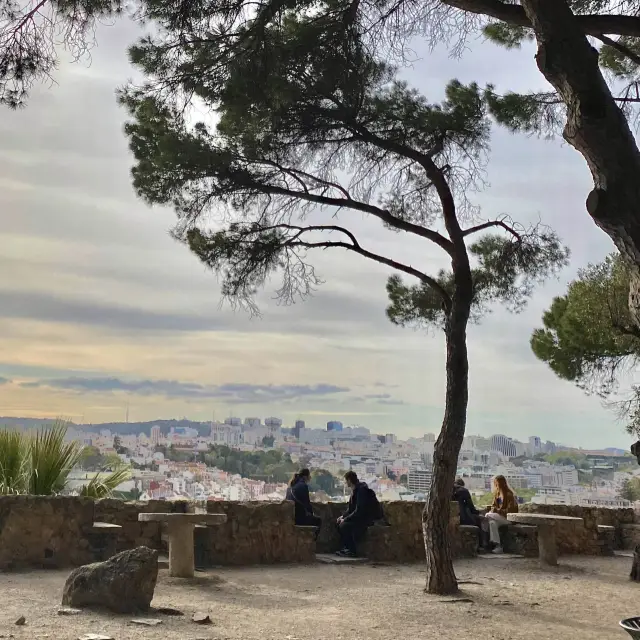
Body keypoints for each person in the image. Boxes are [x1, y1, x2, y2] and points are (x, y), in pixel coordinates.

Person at [336, 471, 379, 557]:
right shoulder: (356, 490)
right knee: (339, 523)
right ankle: (346, 547)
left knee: (344, 526)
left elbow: (359, 510)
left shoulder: (361, 491)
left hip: (366, 518)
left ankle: (352, 550)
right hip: (360, 517)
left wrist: (345, 519)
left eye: (345, 480)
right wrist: (342, 516)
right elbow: (351, 509)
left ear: (349, 480)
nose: (345, 483)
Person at [483, 475, 518, 554]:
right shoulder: (497, 494)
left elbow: (510, 511)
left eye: (497, 483)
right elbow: (493, 505)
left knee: (487, 516)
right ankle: (498, 546)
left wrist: (497, 511)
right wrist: (493, 509)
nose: (495, 485)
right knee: (492, 523)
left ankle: (485, 538)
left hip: (508, 518)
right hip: (499, 517)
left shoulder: (509, 495)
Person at [287, 469, 322, 538]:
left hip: (291, 517)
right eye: (309, 476)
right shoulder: (303, 486)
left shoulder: (290, 486)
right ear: (305, 477)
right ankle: (313, 540)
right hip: (299, 518)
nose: (310, 477)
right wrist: (311, 514)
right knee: (318, 521)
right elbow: (307, 504)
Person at [452, 478, 485, 551]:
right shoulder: (464, 491)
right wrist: (478, 512)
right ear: (462, 485)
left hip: (452, 518)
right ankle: (481, 546)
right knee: (478, 521)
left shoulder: (450, 490)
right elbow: (470, 506)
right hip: (462, 518)